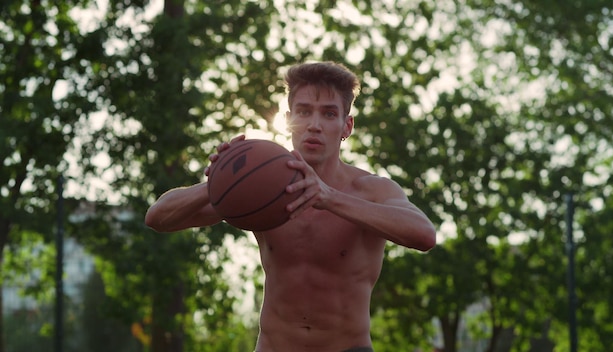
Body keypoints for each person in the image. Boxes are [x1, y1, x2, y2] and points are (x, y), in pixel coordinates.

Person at [145, 61, 436, 352]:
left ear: (346, 125)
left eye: (329, 113)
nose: (314, 124)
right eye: (304, 111)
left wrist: (329, 197)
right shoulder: (262, 189)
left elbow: (424, 235)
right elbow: (158, 217)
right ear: (288, 120)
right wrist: (221, 180)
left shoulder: (370, 190)